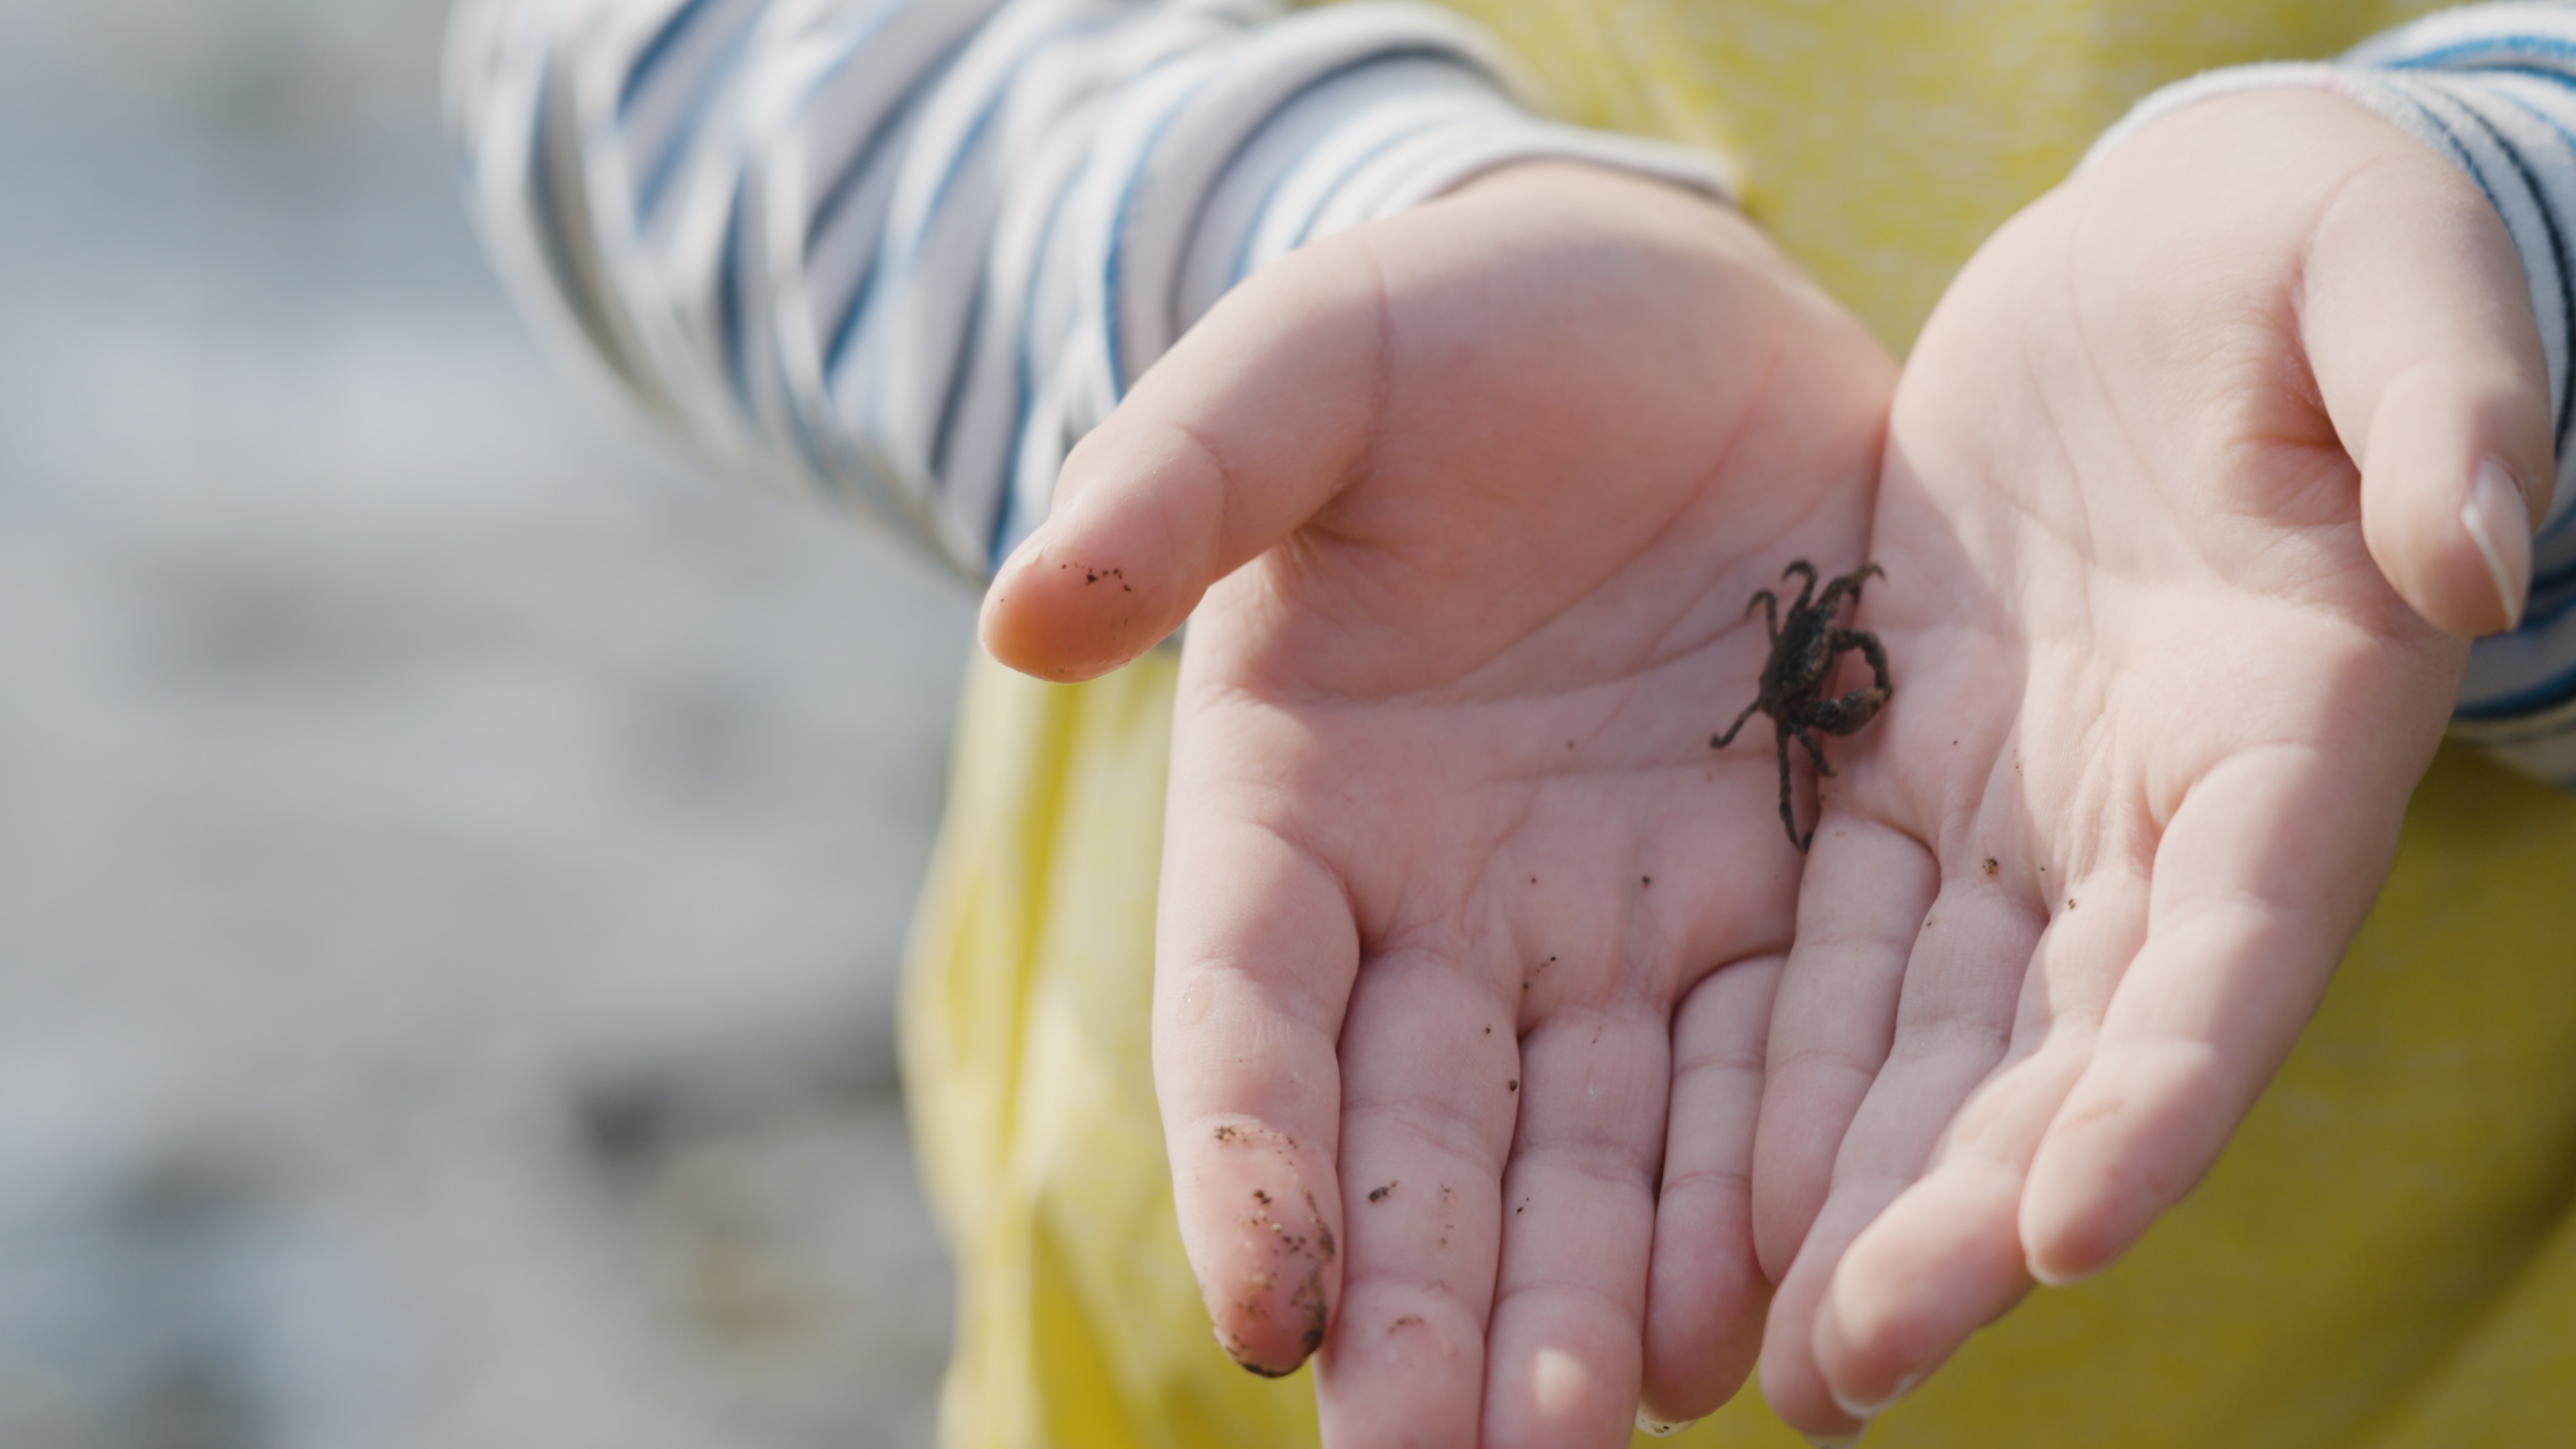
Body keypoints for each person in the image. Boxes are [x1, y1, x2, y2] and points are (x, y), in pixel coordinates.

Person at [446, 1, 2576, 1444]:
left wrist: (2504, 241)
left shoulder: (1814, 674)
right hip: (1200, 1324)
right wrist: (1291, 231)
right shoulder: (1802, 680)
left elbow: (1821, 661)